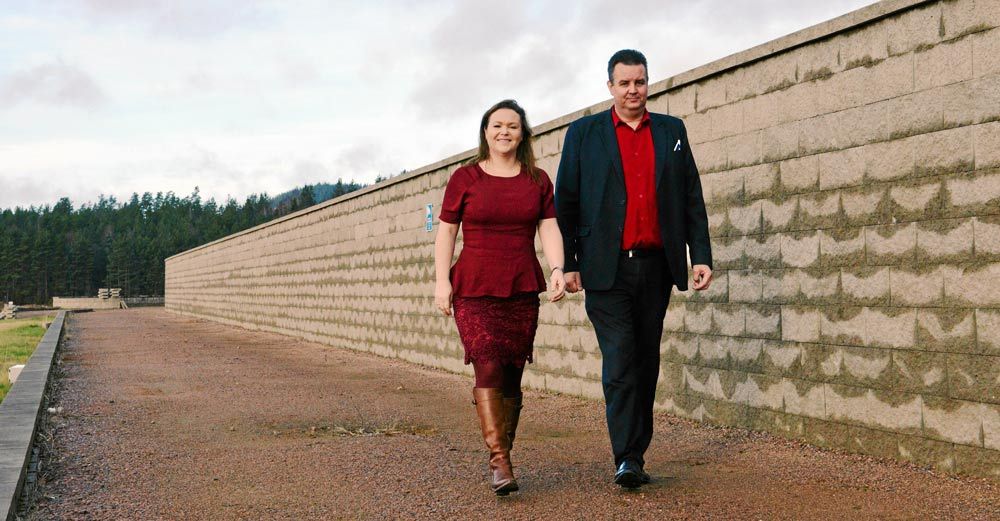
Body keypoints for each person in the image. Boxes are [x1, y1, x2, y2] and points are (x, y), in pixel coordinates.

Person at [555, 49, 713, 489]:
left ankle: (635, 455)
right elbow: (566, 201)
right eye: (623, 83)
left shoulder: (671, 131)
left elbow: (691, 195)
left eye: (639, 82)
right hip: (605, 271)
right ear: (610, 86)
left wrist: (700, 254)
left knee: (645, 362)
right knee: (621, 360)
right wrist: (568, 263)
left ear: (648, 83)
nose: (632, 90)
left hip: (656, 267)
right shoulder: (584, 134)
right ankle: (626, 456)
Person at [434, 99, 566, 496]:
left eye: (512, 125)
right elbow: (447, 231)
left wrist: (557, 269)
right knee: (488, 365)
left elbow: (549, 227)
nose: (504, 131)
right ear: (485, 132)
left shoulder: (537, 180)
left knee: (512, 374)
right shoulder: (465, 178)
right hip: (473, 287)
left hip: (521, 287)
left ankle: (503, 449)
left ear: (523, 134)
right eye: (497, 125)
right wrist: (441, 281)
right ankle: (500, 462)